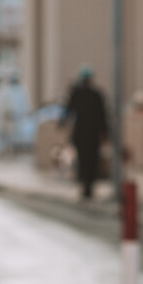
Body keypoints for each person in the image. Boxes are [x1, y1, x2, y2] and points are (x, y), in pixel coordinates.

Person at [63, 64, 109, 200]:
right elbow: (102, 116)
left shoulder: (82, 94)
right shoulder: (92, 94)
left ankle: (87, 186)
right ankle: (87, 186)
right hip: (90, 134)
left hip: (84, 133)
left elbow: (68, 111)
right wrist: (105, 133)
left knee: (86, 160)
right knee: (89, 160)